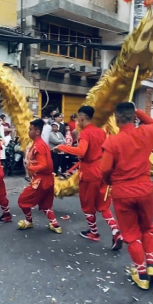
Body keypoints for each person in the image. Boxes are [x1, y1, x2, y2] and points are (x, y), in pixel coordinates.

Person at [101, 102, 153, 290]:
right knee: (147, 228)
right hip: (145, 189)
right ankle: (152, 264)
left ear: (117, 119)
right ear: (134, 117)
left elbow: (104, 170)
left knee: (131, 233)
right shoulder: (147, 133)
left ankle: (141, 273)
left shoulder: (112, 142)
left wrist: (110, 181)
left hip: (122, 192)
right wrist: (137, 110)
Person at [55, 106, 123, 249]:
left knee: (87, 204)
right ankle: (116, 231)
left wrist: (62, 147)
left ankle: (94, 232)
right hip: (102, 170)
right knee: (103, 205)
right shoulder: (100, 132)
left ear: (81, 117)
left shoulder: (86, 133)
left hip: (89, 172)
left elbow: (81, 151)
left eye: (78, 118)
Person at [17, 119, 61, 233]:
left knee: (22, 200)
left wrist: (29, 167)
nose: (28, 132)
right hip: (47, 179)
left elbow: (44, 165)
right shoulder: (39, 144)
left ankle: (28, 221)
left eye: (30, 129)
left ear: (37, 131)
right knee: (45, 203)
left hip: (41, 180)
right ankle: (55, 225)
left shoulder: (39, 145)